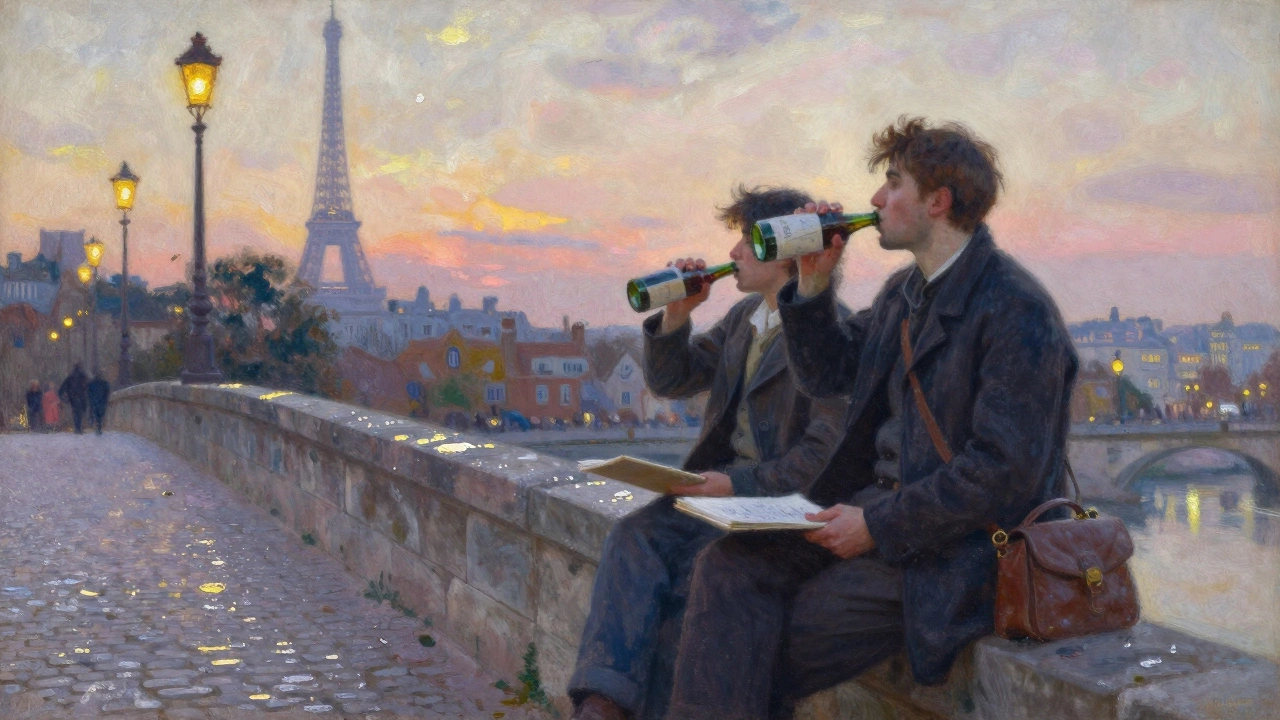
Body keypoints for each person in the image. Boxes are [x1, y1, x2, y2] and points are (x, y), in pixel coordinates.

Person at [665, 118, 1079, 719]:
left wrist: (877, 523)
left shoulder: (1018, 310)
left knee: (757, 640)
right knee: (729, 566)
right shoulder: (904, 293)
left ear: (937, 202)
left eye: (892, 184)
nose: (876, 201)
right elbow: (833, 375)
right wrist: (812, 283)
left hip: (955, 550)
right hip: (879, 516)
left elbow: (1003, 474)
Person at [568, 187, 850, 720]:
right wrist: (677, 315)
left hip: (770, 509)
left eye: (747, 240)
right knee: (635, 535)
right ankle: (601, 704)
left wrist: (737, 485)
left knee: (692, 588)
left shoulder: (827, 332)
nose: (736, 253)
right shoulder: (747, 317)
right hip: (720, 496)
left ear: (786, 251)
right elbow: (675, 378)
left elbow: (822, 455)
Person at [59, 363, 90, 435]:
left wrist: (65, 398)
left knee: (76, 412)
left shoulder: (70, 377)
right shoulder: (83, 376)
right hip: (82, 397)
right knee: (80, 413)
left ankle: (77, 428)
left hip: (73, 398)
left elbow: (61, 390)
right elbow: (88, 387)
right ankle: (78, 428)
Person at [87, 371, 111, 435]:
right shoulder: (105, 383)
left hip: (95, 402)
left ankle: (97, 426)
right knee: (100, 415)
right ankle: (98, 427)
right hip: (102, 402)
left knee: (96, 414)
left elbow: (89, 393)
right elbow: (107, 392)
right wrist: (105, 399)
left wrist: (91, 400)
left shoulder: (91, 384)